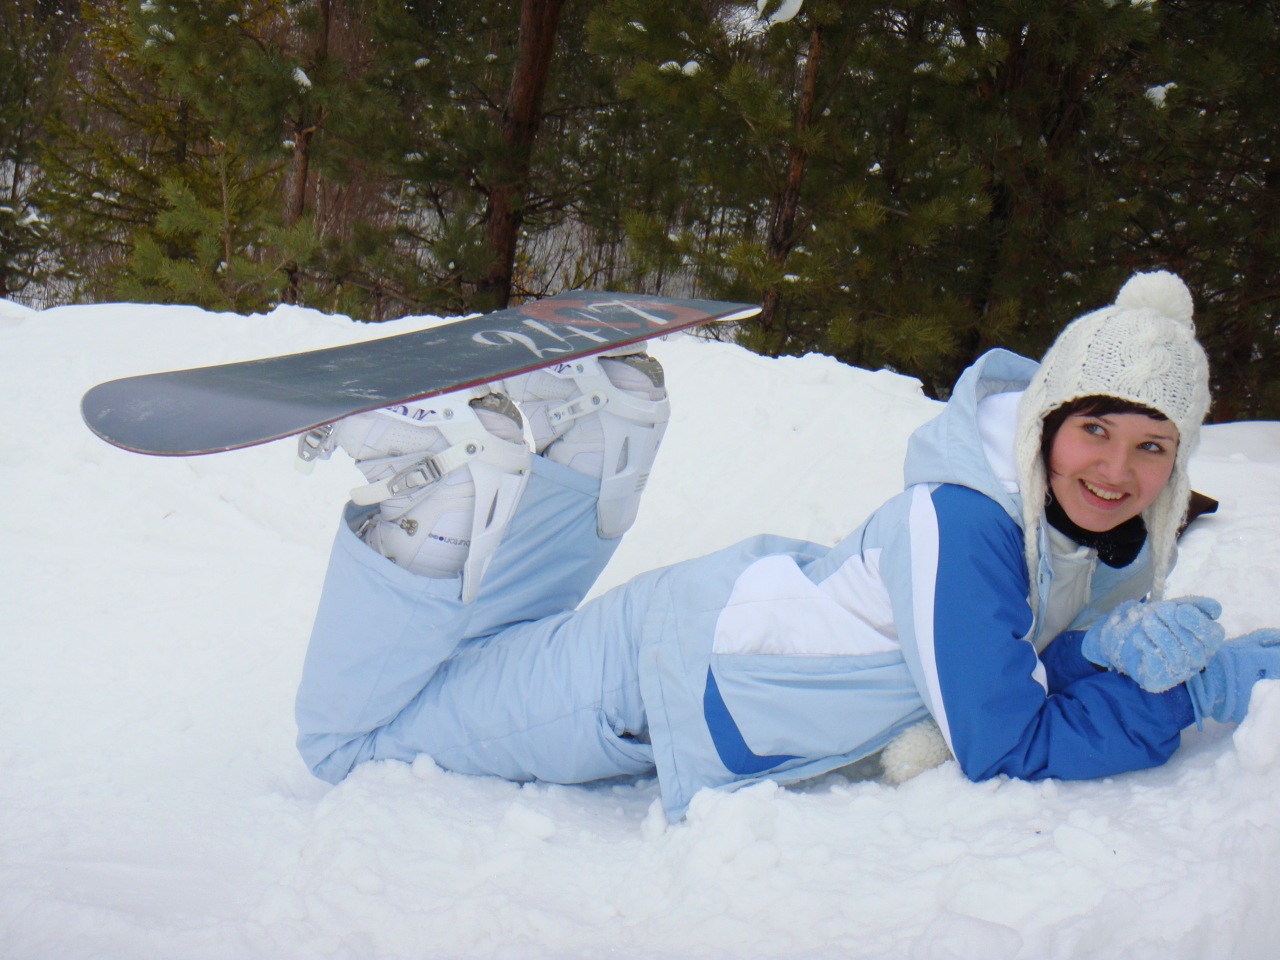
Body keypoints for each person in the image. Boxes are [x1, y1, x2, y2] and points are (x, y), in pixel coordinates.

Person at [294, 271, 1280, 820]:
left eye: (1151, 446)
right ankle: (439, 482)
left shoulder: (1097, 534)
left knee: (483, 656)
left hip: (700, 638)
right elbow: (1006, 740)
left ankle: (593, 444)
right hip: (662, 679)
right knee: (349, 748)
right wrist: (1188, 697)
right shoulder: (966, 522)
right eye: (1095, 430)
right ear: (1045, 423)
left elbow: (1019, 657)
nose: (1115, 470)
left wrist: (1100, 649)